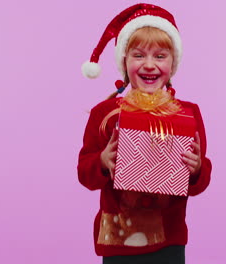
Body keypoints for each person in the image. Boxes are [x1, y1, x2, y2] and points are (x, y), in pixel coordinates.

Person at [78, 3, 212, 264]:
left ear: (172, 64)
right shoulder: (105, 113)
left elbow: (199, 180)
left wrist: (196, 169)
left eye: (160, 56)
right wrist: (103, 162)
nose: (149, 65)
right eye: (139, 55)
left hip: (169, 240)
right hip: (119, 239)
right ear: (124, 61)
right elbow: (84, 173)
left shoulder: (187, 113)